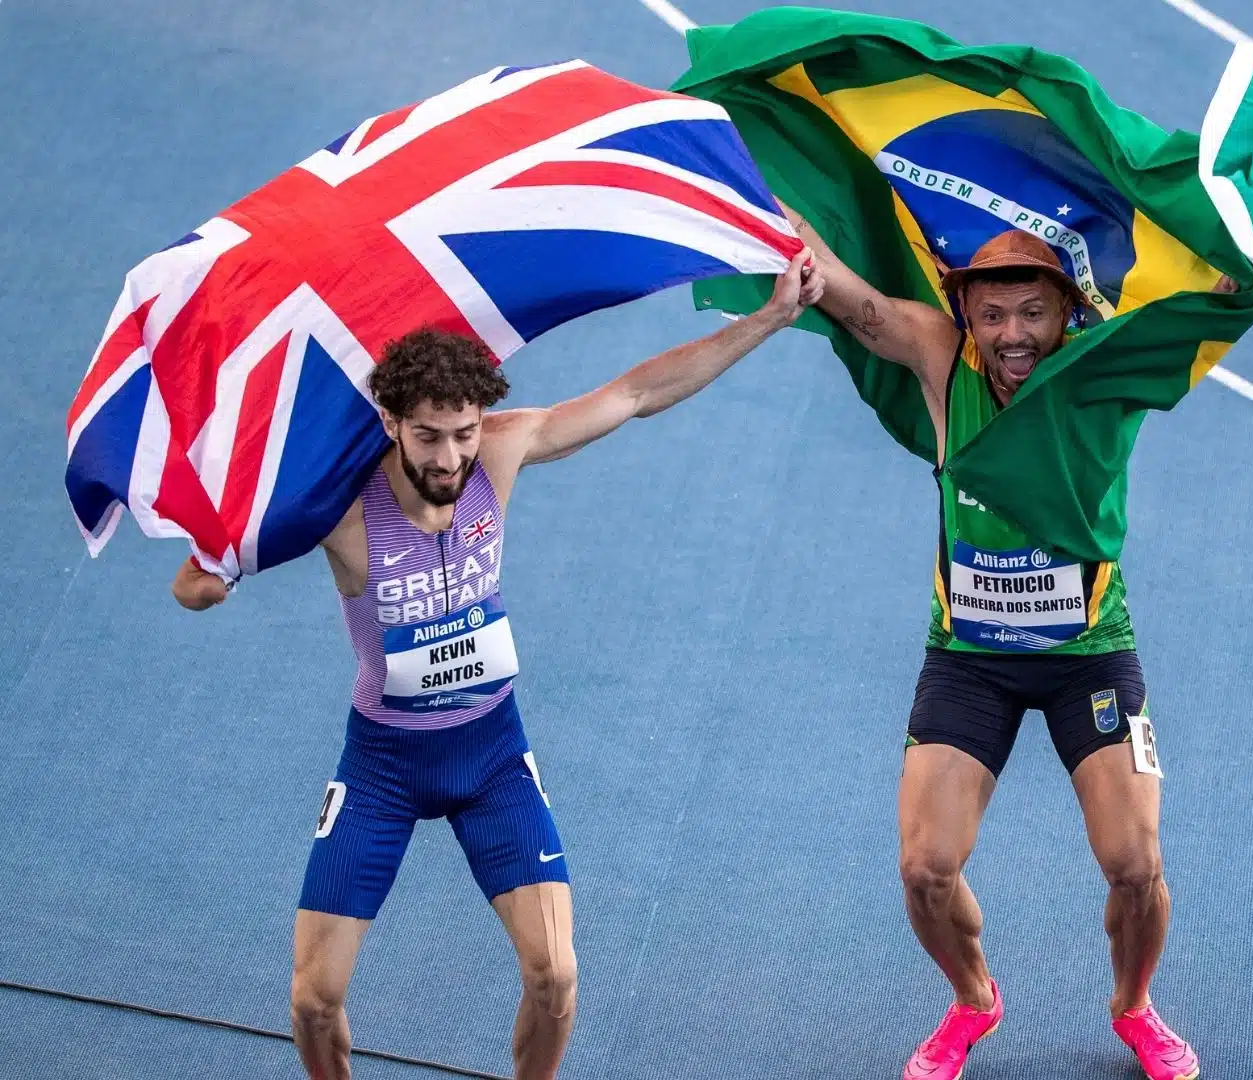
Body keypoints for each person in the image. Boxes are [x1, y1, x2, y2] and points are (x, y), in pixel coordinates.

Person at [169, 252, 822, 1080]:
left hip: (491, 757)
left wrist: (767, 318)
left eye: (465, 432)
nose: (450, 458)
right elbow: (199, 578)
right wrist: (208, 582)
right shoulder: (335, 511)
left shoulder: (501, 455)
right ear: (390, 424)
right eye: (429, 437)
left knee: (556, 975)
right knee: (313, 998)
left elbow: (635, 392)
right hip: (382, 768)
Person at [784, 208, 1199, 1080]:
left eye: (1033, 313)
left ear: (1066, 314)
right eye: (995, 314)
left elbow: (1201, 309)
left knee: (1136, 863)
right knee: (925, 867)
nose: (1013, 335)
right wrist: (779, 220)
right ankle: (973, 1000)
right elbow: (856, 307)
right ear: (969, 314)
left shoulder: (1099, 373)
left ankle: (1134, 1006)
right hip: (969, 657)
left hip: (1088, 653)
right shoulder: (943, 359)